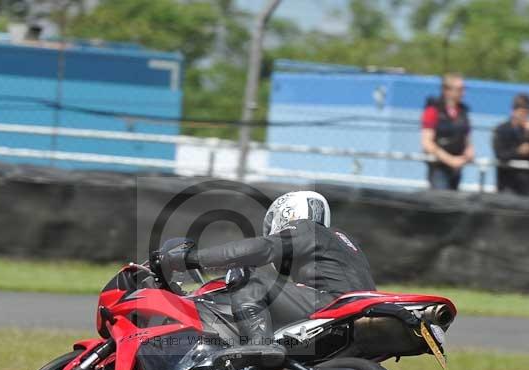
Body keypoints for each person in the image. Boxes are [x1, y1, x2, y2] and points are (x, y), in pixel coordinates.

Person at [162, 191, 376, 353]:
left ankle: (260, 344)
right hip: (357, 310)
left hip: (333, 304)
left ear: (287, 212)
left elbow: (259, 249)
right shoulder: (343, 240)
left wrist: (190, 259)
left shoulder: (306, 228)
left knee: (250, 277)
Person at [420, 73, 475, 190]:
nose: (463, 93)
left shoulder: (463, 112)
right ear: (447, 90)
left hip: (457, 168)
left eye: (464, 89)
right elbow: (427, 143)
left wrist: (469, 150)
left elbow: (467, 138)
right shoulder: (432, 110)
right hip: (439, 167)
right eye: (459, 89)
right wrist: (450, 160)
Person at [493, 93, 529, 196]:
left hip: (525, 185)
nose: (526, 117)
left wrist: (528, 135)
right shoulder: (501, 129)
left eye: (528, 114)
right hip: (506, 184)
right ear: (514, 111)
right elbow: (500, 154)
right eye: (523, 113)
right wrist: (518, 151)